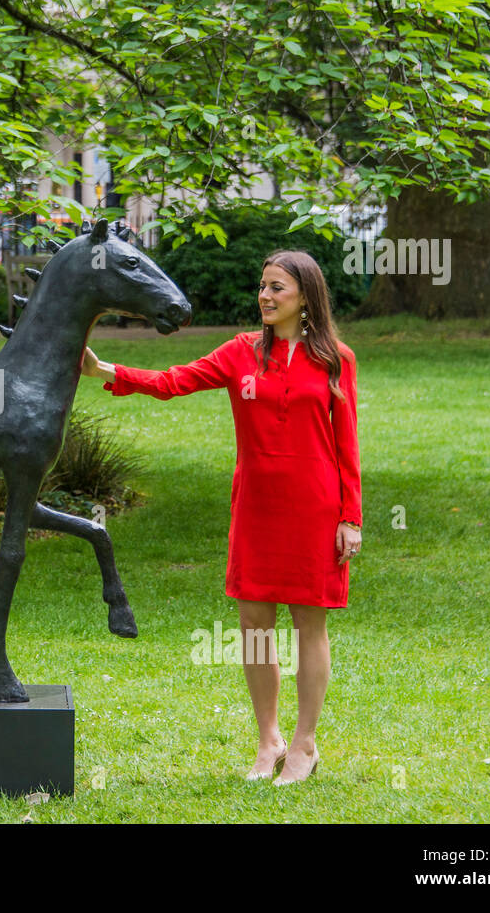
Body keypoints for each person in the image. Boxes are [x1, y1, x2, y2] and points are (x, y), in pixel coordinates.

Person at [81, 249, 362, 785]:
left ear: (305, 296)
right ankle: (268, 741)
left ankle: (304, 745)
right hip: (256, 508)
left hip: (316, 507)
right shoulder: (240, 353)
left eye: (277, 287)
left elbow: (347, 445)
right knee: (255, 626)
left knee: (309, 623)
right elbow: (173, 381)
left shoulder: (336, 360)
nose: (265, 296)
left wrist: (351, 516)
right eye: (262, 286)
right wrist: (106, 370)